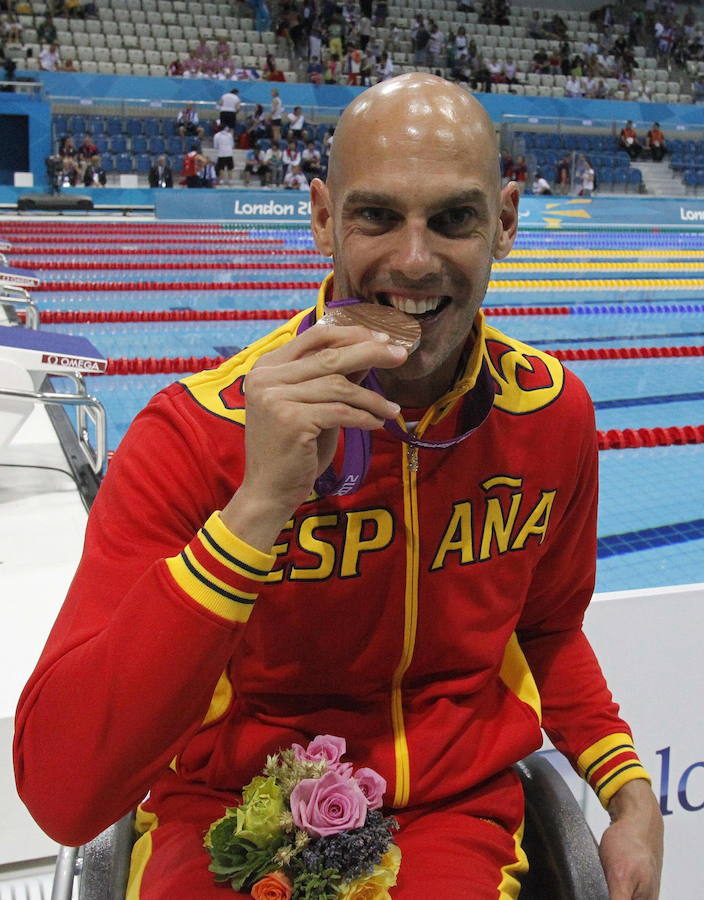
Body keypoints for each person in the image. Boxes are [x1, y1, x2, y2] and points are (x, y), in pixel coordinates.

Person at [14, 73, 663, 900]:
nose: (416, 260)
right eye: (377, 216)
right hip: (224, 812)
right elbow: (63, 792)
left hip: (448, 812)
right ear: (323, 216)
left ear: (504, 222)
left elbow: (548, 631)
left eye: (455, 219)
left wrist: (629, 792)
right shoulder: (192, 436)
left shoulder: (551, 416)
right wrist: (254, 509)